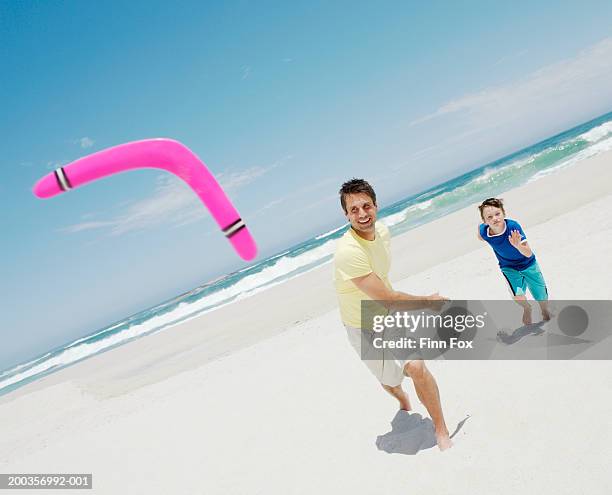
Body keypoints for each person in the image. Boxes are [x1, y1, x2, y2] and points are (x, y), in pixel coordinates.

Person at [333, 178, 453, 451]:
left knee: (417, 367)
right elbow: (388, 297)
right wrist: (428, 301)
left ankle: (441, 430)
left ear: (376, 205)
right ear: (346, 214)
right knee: (391, 380)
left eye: (366, 206)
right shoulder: (347, 253)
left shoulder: (383, 233)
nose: (362, 214)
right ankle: (402, 400)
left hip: (386, 316)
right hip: (360, 323)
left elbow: (385, 292)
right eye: (354, 210)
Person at [477, 197, 551, 325]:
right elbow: (480, 235)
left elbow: (528, 253)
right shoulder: (484, 231)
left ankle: (544, 310)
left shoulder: (512, 227)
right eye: (489, 217)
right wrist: (480, 231)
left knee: (540, 293)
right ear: (484, 221)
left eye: (497, 214)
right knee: (517, 295)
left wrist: (517, 245)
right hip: (508, 267)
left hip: (528, 263)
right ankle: (527, 308)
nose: (495, 218)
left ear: (503, 213)